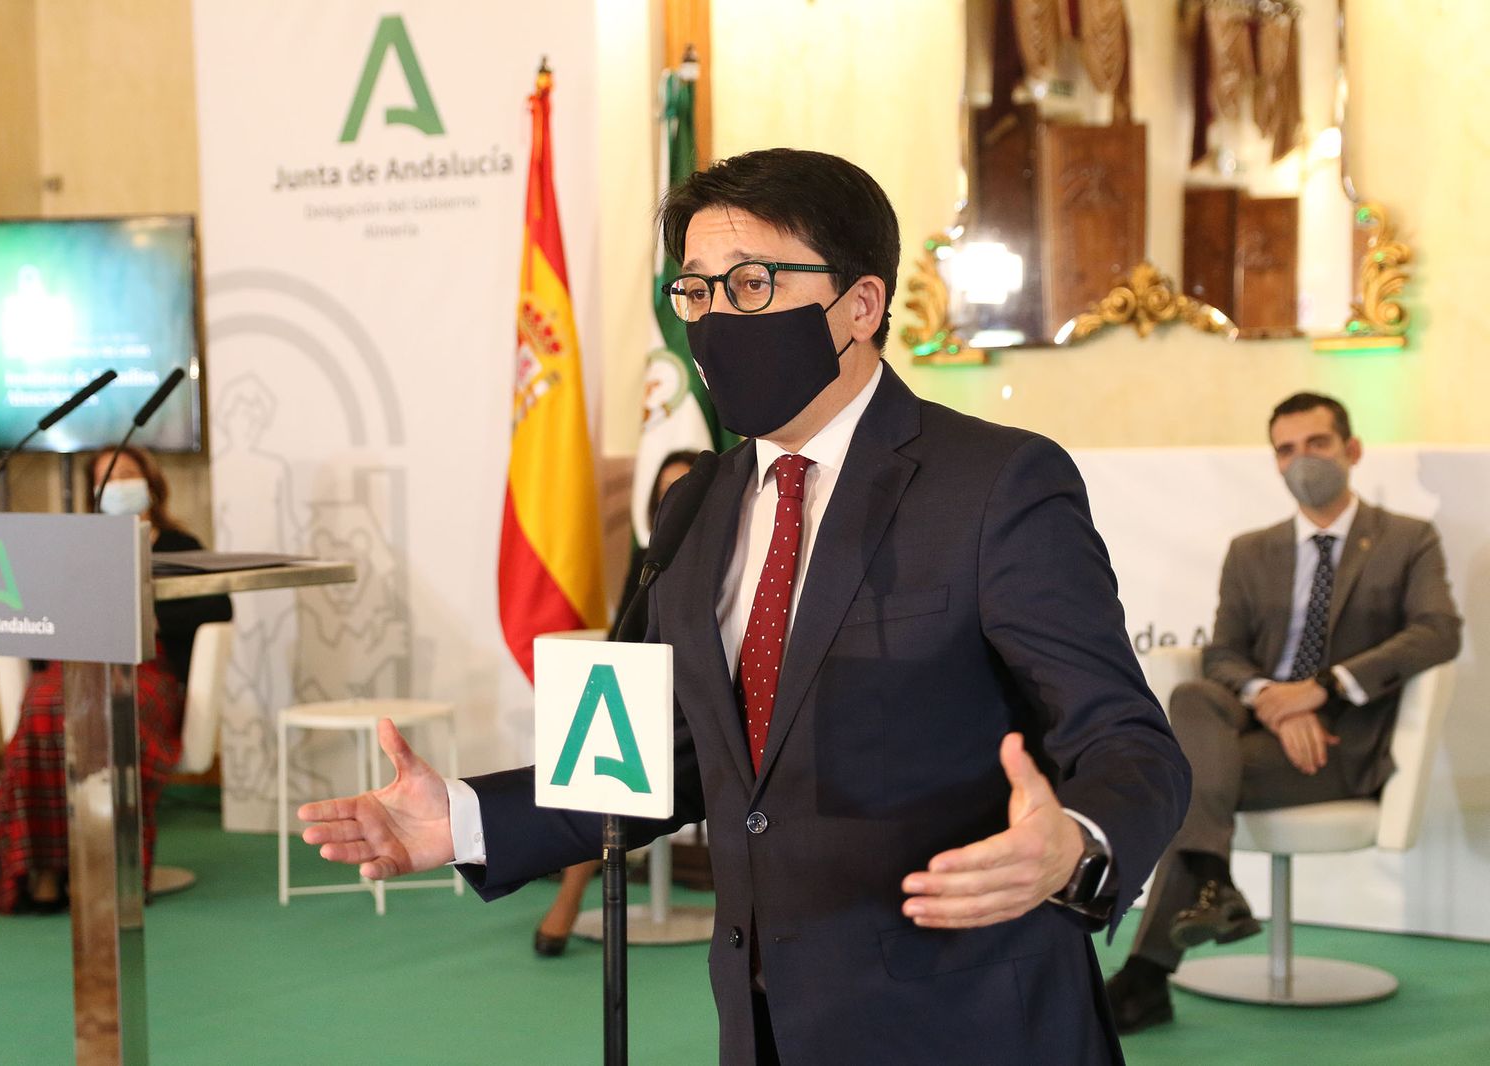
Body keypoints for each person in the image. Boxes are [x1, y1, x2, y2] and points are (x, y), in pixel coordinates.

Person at [300, 148, 1189, 1065]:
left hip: (973, 1020)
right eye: (695, 290)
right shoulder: (700, 501)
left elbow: (1127, 740)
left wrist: (1075, 848)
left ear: (861, 305)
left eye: (753, 284)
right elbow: (664, 756)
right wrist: (466, 819)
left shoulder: (997, 483)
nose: (717, 318)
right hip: (763, 1022)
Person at [1106, 392, 1462, 1032]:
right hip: (1260, 724)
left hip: (1340, 744)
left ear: (1351, 451)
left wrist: (1322, 689)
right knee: (1191, 696)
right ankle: (1210, 884)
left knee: (1189, 771)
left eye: (1317, 443)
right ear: (1274, 463)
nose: (1302, 459)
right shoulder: (1252, 550)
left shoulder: (1407, 539)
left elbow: (1438, 631)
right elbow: (1222, 655)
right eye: (1286, 449)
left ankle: (1149, 974)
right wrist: (1273, 700)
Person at [0, 445, 232, 914]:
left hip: (146, 667)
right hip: (75, 663)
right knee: (45, 708)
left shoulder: (180, 546)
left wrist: (148, 615)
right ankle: (41, 871)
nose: (119, 484)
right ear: (93, 492)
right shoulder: (75, 548)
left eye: (127, 473)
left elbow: (217, 609)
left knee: (116, 712)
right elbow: (42, 616)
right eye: (108, 477)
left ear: (150, 482)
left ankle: (111, 870)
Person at [534, 449, 701, 957]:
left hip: (705, 703)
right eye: (666, 494)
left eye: (687, 491)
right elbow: (623, 635)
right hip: (646, 691)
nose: (676, 504)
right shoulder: (649, 555)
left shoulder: (738, 553)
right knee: (597, 771)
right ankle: (570, 893)